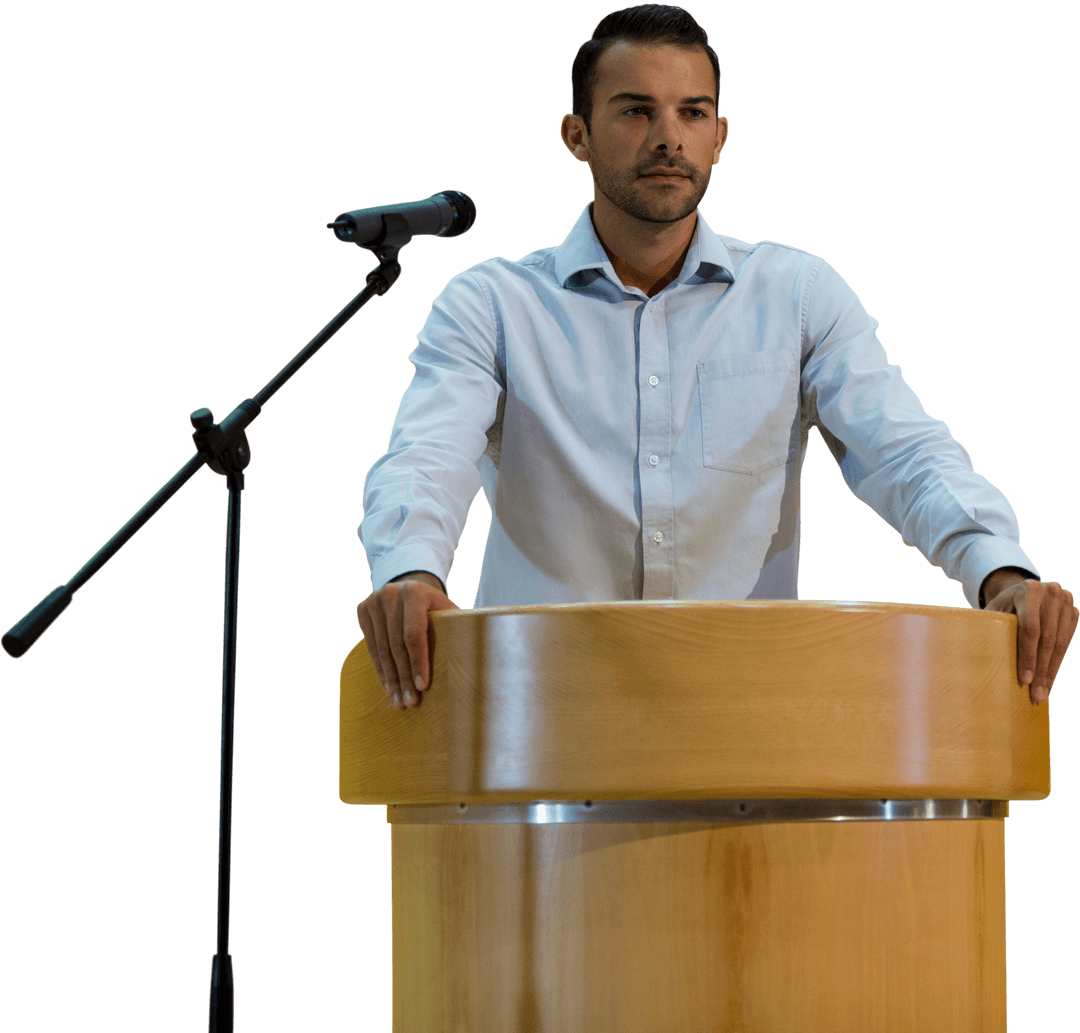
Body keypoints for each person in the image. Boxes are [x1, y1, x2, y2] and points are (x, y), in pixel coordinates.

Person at [356, 4, 1077, 712]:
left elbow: (902, 451)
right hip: (542, 721)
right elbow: (426, 457)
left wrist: (998, 568)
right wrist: (411, 570)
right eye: (636, 111)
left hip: (742, 727)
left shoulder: (794, 294)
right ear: (577, 135)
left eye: (692, 113)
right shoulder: (493, 304)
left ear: (721, 135)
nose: (669, 137)